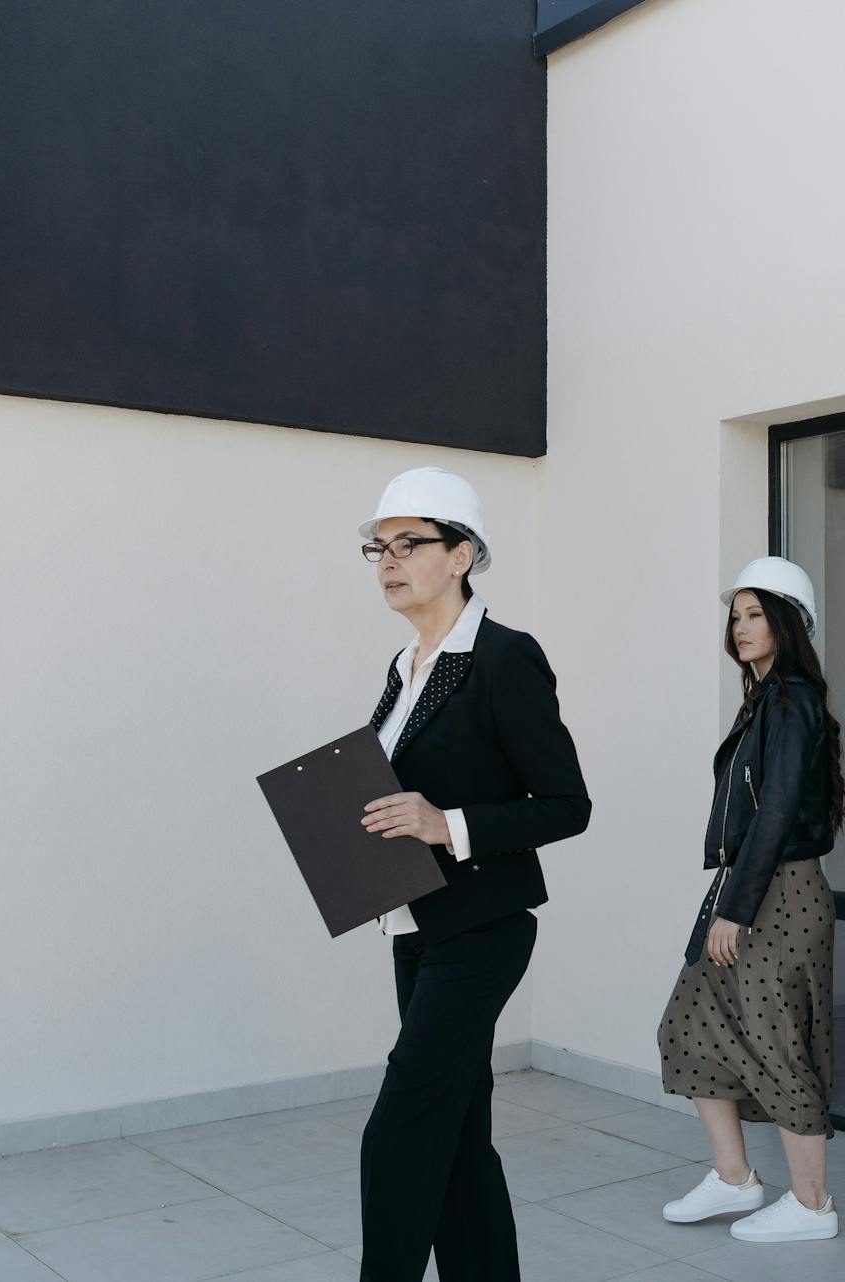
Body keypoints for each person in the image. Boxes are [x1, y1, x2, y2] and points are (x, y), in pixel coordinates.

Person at [353, 466, 591, 1281]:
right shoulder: (403, 666)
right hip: (414, 927)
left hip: (482, 930)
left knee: (400, 1131)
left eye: (409, 543)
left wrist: (442, 825)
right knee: (455, 1137)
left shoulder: (503, 658)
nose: (388, 561)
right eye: (377, 547)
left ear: (462, 555)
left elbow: (566, 804)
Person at [656, 556, 845, 1243]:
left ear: (788, 624)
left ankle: (812, 1204)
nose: (739, 626)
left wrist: (734, 907)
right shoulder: (766, 699)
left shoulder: (791, 700)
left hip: (779, 893)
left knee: (777, 1045)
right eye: (734, 614)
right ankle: (735, 1177)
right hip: (749, 886)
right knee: (687, 1026)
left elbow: (775, 815)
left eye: (755, 613)